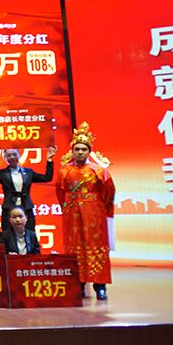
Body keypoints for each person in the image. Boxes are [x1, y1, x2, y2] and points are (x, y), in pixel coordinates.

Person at [56, 122, 115, 301]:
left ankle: (100, 286)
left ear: (89, 151)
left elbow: (108, 193)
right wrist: (69, 207)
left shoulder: (99, 171)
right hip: (72, 214)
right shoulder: (65, 170)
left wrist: (98, 209)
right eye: (77, 149)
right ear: (72, 151)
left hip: (94, 213)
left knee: (95, 245)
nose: (80, 152)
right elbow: (60, 193)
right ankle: (78, 284)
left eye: (83, 149)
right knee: (74, 247)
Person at [0, 146, 57, 232]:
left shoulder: (28, 172)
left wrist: (49, 160)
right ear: (5, 158)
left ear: (19, 155)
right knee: (7, 234)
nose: (12, 157)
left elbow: (47, 178)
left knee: (30, 233)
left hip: (26, 206)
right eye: (9, 155)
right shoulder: (2, 173)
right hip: (9, 207)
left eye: (14, 154)